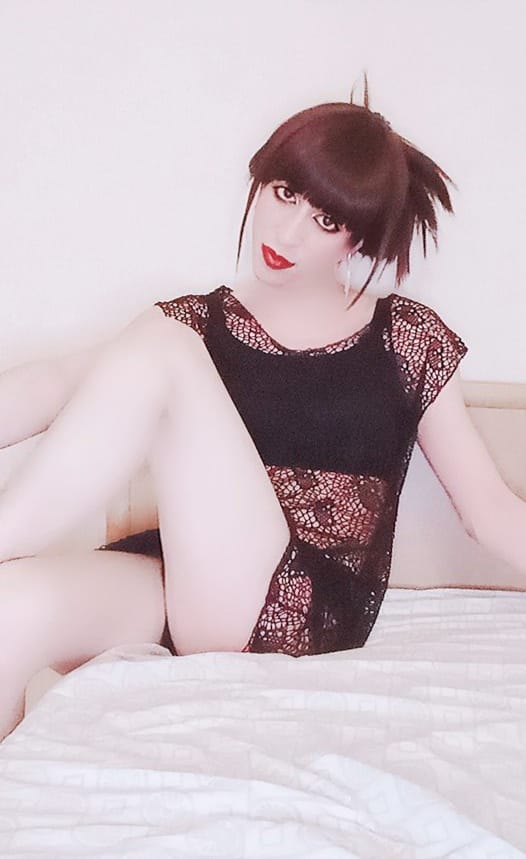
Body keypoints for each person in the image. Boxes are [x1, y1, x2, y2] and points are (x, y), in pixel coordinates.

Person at [0, 74, 524, 742]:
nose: (288, 231)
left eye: (327, 221)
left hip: (302, 613)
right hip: (186, 588)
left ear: (357, 241)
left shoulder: (404, 339)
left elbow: (490, 511)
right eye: (283, 193)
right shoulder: (198, 326)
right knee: (10, 608)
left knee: (162, 346)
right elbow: (50, 385)